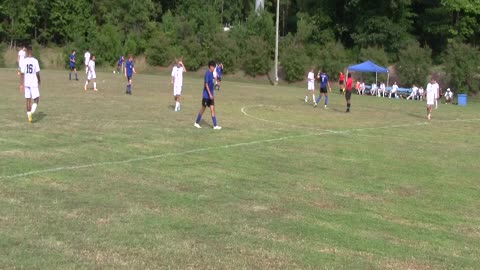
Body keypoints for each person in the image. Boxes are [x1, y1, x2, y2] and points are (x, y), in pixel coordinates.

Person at [194, 61, 221, 130]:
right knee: (203, 109)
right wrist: (209, 94)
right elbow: (206, 85)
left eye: (215, 67)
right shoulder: (207, 74)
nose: (214, 68)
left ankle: (215, 125)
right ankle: (196, 123)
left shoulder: (212, 73)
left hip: (211, 95)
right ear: (210, 66)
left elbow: (213, 81)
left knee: (212, 109)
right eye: (213, 67)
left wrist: (216, 82)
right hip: (206, 95)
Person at [19, 46, 41, 123]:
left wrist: (21, 84)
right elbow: (37, 72)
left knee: (28, 100)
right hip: (33, 82)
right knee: (37, 99)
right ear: (31, 51)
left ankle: (29, 116)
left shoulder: (24, 61)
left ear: (27, 52)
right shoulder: (35, 61)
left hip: (26, 83)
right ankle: (31, 112)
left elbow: (22, 73)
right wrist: (39, 80)